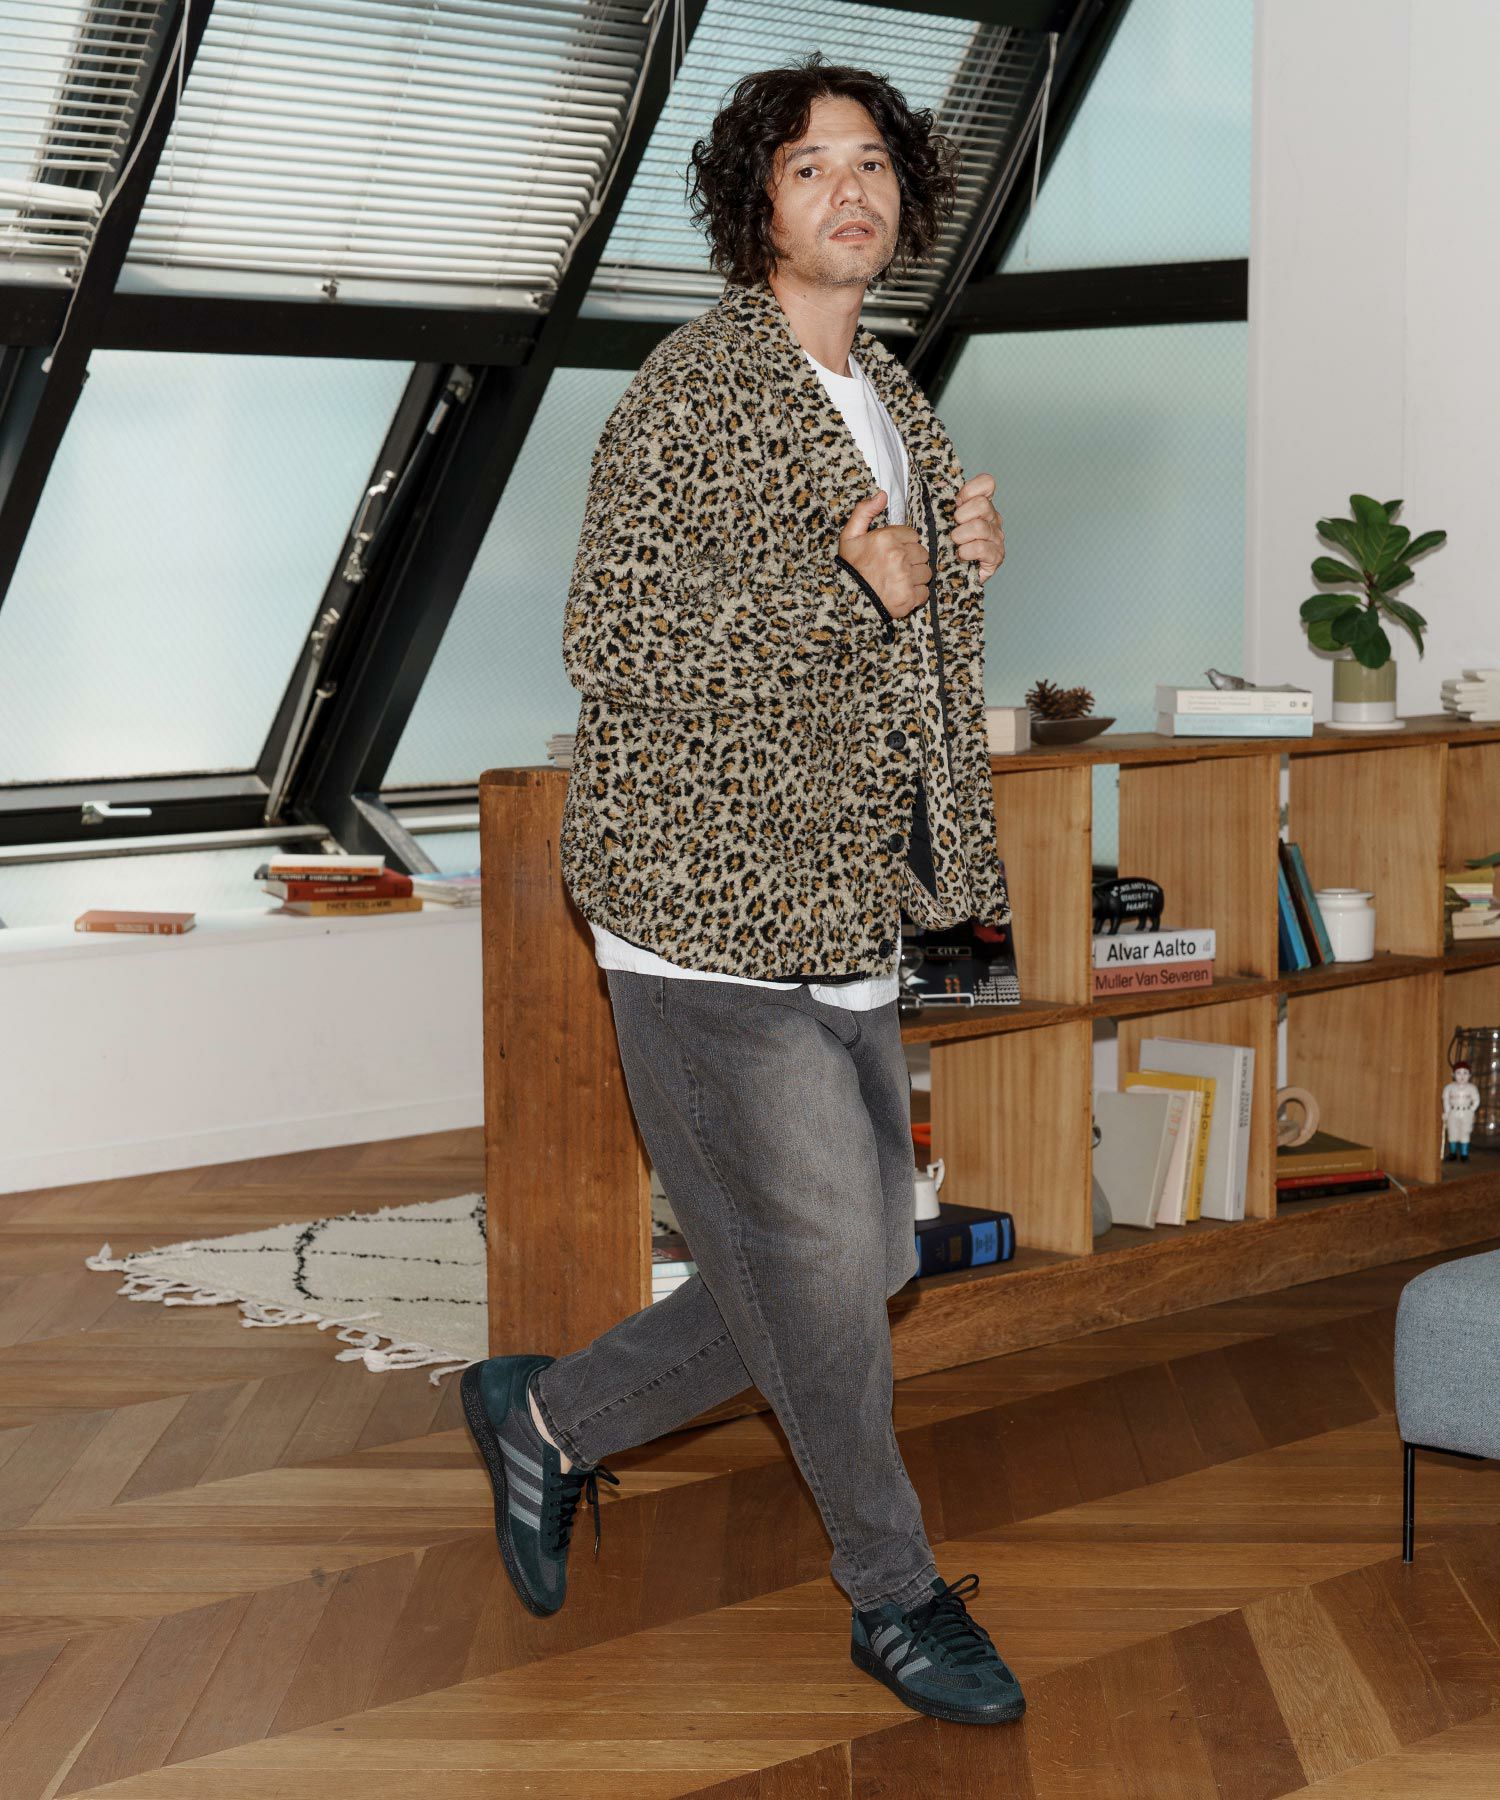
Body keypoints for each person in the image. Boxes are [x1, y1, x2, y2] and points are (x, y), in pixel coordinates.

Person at [461, 53, 1023, 1726]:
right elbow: (614, 641)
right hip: (704, 908)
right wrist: (856, 595)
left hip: (841, 903)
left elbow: (884, 646)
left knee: (865, 1264)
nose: (850, 190)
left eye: (873, 163)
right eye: (807, 168)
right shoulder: (693, 390)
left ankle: (545, 1419)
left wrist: (954, 579)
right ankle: (894, 1592)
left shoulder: (894, 395)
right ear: (754, 208)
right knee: (827, 1279)